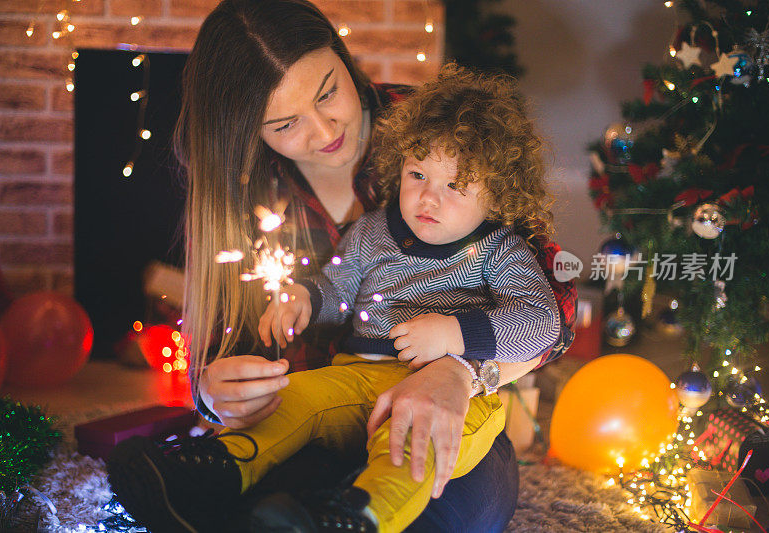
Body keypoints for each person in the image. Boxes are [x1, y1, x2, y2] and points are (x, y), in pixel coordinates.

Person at [106, 1, 577, 532]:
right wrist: (216, 392)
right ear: (248, 131)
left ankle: (359, 517)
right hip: (329, 397)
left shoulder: (436, 130)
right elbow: (313, 298)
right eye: (285, 123)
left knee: (441, 493)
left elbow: (551, 314)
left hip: (449, 399)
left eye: (328, 92)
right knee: (273, 487)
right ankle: (205, 484)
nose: (324, 128)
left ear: (343, 55)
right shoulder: (249, 194)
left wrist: (461, 369)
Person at [232, 62, 561, 533]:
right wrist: (305, 296)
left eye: (455, 185)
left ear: (496, 195)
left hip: (446, 391)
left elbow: (542, 320)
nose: (428, 199)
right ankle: (215, 466)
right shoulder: (373, 230)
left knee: (418, 457)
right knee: (290, 404)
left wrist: (456, 339)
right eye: (418, 175)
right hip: (350, 378)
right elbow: (338, 287)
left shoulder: (497, 248)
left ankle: (357, 517)